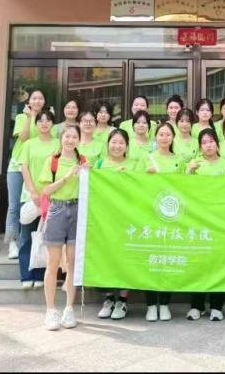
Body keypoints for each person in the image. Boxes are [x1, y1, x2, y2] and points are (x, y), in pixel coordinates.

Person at [39, 125, 89, 330]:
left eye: (74, 137)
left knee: (72, 263)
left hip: (78, 210)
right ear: (61, 139)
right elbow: (46, 190)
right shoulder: (52, 161)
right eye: (67, 136)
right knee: (53, 263)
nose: (70, 140)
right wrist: (67, 176)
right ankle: (50, 310)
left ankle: (69, 308)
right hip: (57, 209)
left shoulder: (83, 161)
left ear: (79, 139)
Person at [185, 128, 225, 321]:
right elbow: (183, 188)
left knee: (218, 263)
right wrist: (189, 171)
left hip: (220, 220)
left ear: (217, 143)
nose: (208, 145)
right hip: (198, 220)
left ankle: (216, 306)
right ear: (200, 146)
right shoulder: (195, 164)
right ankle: (196, 306)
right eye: (204, 142)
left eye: (211, 141)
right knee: (198, 263)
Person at [139, 122, 184, 322]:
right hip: (151, 215)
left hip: (173, 217)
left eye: (168, 135)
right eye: (161, 134)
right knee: (152, 260)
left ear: (173, 138)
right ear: (155, 137)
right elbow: (135, 185)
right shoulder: (146, 159)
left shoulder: (179, 160)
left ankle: (165, 304)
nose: (164, 138)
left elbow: (185, 187)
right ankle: (150, 305)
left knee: (168, 261)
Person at [96, 129, 139, 319]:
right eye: (113, 142)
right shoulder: (99, 164)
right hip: (104, 219)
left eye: (121, 143)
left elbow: (140, 189)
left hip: (127, 219)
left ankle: (122, 301)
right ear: (108, 144)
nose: (117, 146)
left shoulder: (134, 165)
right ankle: (108, 299)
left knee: (126, 257)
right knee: (105, 257)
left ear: (127, 146)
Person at [16, 108, 58, 288]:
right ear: (36, 123)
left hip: (51, 196)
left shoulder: (58, 144)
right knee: (26, 236)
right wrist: (33, 192)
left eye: (48, 120)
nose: (44, 123)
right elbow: (24, 168)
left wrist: (48, 192)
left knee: (44, 236)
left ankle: (40, 274)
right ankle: (26, 276)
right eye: (41, 120)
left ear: (53, 124)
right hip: (29, 195)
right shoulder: (29, 144)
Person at [6, 89, 46, 260]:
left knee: (32, 204)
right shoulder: (22, 117)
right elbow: (23, 137)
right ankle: (12, 243)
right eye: (34, 98)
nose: (37, 101)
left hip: (35, 167)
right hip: (17, 165)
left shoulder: (45, 119)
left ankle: (28, 243)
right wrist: (29, 117)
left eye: (40, 98)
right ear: (29, 101)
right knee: (14, 206)